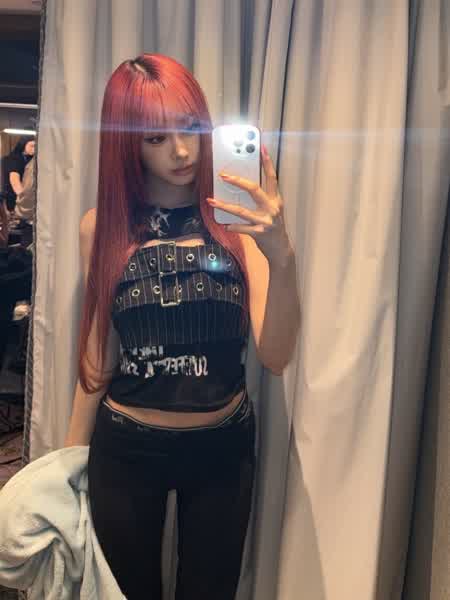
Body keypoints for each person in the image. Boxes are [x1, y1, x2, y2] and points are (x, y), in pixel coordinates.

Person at [64, 53, 300, 600]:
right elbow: (98, 356)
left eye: (191, 127)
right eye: (155, 138)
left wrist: (282, 256)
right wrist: (66, 466)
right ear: (128, 144)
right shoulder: (102, 228)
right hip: (126, 449)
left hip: (222, 451)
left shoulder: (239, 227)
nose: (182, 151)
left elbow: (276, 355)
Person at [1, 136, 35, 212]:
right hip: (14, 198)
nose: (34, 149)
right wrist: (23, 199)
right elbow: (14, 181)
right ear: (23, 145)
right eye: (32, 146)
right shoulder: (14, 158)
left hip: (26, 196)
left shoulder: (31, 158)